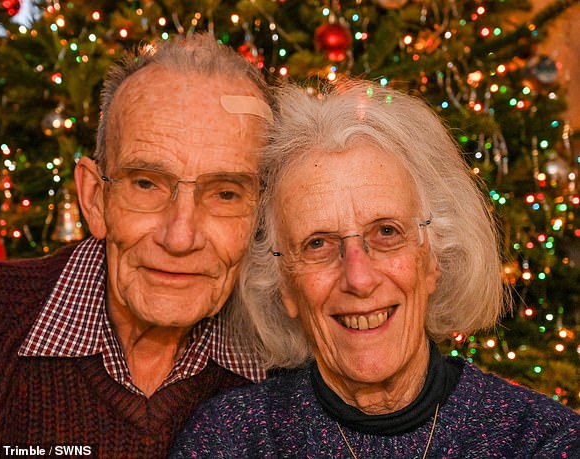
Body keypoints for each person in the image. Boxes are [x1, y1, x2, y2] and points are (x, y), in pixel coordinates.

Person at [170, 80, 580, 458]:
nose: (359, 278)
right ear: (284, 286)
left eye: (386, 232)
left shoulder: (541, 440)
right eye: (317, 244)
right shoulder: (229, 440)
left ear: (433, 257)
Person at [0, 33, 273, 457]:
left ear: (262, 214)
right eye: (146, 184)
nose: (180, 237)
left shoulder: (295, 364)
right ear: (95, 199)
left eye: (225, 193)